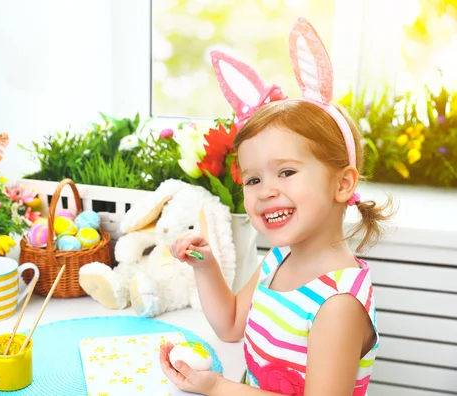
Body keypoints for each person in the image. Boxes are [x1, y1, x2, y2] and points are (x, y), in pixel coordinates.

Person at [159, 18, 394, 396]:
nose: (265, 191)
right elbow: (232, 324)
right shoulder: (279, 258)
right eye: (253, 179)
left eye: (286, 171)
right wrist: (206, 267)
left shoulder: (338, 303)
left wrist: (218, 387)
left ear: (342, 183)